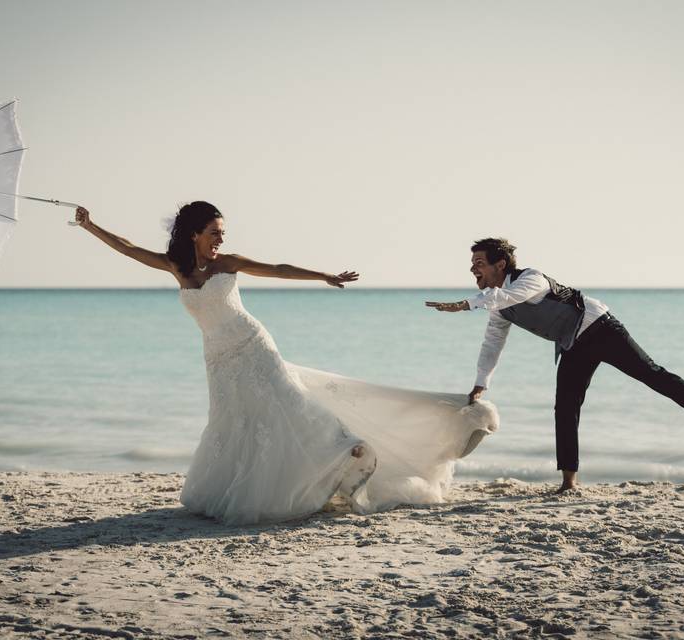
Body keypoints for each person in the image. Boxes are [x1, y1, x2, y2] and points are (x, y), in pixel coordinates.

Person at [74, 202, 498, 524]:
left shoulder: (228, 264)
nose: (220, 239)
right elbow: (128, 248)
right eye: (214, 233)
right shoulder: (175, 266)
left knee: (292, 408)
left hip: (254, 347)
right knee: (237, 423)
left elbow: (277, 268)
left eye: (222, 233)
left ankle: (349, 452)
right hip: (219, 360)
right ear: (192, 235)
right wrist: (90, 226)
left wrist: (323, 276)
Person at [426, 237, 684, 493]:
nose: (472, 268)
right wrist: (482, 381)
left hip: (601, 328)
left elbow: (504, 295)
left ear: (500, 265)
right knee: (565, 406)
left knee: (651, 375)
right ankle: (569, 482)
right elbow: (493, 343)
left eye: (479, 263)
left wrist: (463, 305)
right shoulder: (498, 308)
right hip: (573, 344)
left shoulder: (528, 279)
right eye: (472, 264)